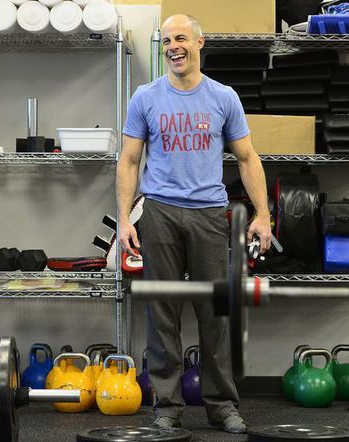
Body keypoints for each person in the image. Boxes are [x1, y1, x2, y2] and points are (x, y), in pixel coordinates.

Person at [116, 14, 272, 434]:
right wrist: (125, 219)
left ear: (199, 42)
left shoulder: (223, 98)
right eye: (166, 40)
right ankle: (167, 405)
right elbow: (129, 160)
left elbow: (247, 158)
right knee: (162, 312)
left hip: (208, 215)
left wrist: (263, 215)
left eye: (181, 38)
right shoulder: (145, 98)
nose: (173, 47)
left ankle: (221, 405)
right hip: (160, 213)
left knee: (215, 312)